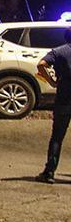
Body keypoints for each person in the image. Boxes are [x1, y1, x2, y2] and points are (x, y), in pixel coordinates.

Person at [34, 27, 71, 184]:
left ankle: (49, 172)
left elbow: (41, 65)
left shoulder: (58, 51)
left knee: (57, 137)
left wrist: (52, 81)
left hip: (64, 99)